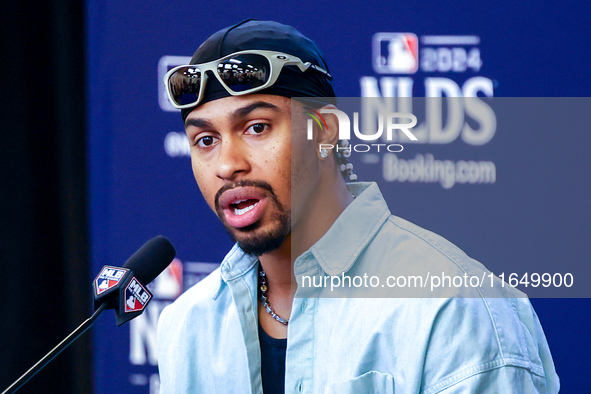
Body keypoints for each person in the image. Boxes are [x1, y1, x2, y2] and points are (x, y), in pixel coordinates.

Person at [156, 19, 559, 393]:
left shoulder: (451, 307)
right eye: (205, 140)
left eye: (257, 127)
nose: (227, 164)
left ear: (325, 130)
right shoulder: (187, 325)